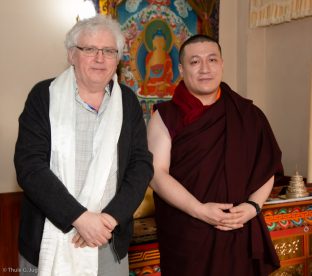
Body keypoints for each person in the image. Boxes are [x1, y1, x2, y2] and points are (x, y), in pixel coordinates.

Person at [14, 14, 153, 276]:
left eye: (109, 51)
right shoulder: (44, 96)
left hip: (107, 241)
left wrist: (108, 220)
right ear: (71, 54)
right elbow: (29, 166)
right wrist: (79, 218)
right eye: (89, 49)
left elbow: (141, 166)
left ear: (118, 58)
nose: (100, 58)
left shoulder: (128, 101)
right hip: (48, 238)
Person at [147, 34, 283, 276]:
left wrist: (253, 206)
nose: (205, 69)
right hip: (188, 231)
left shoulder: (248, 114)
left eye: (212, 60)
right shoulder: (165, 116)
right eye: (195, 62)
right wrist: (200, 210)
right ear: (181, 68)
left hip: (239, 227)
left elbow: (267, 167)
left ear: (222, 64)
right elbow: (156, 174)